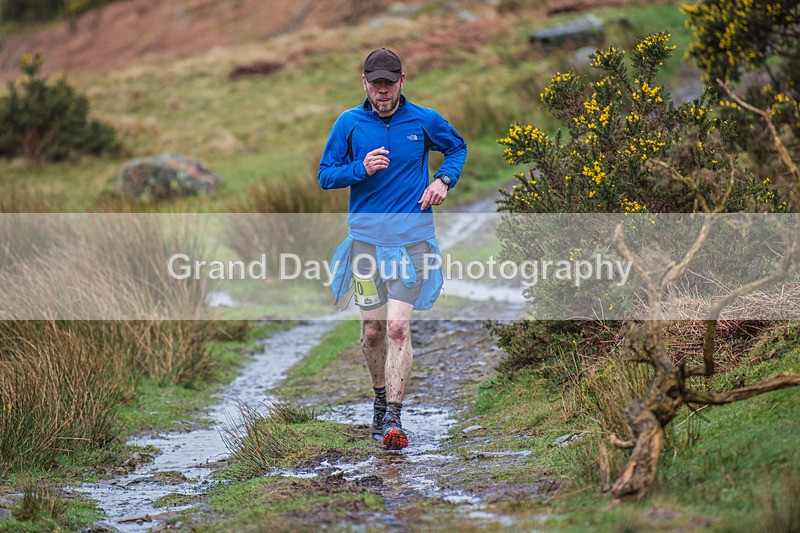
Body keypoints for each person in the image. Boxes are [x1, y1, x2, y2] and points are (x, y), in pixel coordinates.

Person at [318, 48, 467, 450]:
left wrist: (443, 181)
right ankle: (380, 399)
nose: (383, 91)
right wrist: (359, 169)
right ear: (364, 83)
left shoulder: (424, 119)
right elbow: (325, 175)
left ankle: (394, 419)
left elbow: (457, 148)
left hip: (412, 242)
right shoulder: (348, 124)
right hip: (365, 243)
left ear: (403, 81)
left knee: (398, 327)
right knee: (371, 332)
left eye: (389, 82)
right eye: (375, 83)